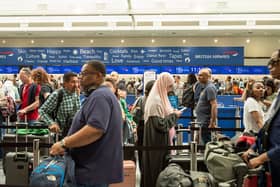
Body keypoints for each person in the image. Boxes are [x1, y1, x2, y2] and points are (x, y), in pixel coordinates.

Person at [50, 61, 123, 187]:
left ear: (99, 76)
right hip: (92, 170)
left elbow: (95, 129)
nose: (80, 78)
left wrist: (64, 143)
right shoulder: (101, 95)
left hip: (91, 171)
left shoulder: (100, 96)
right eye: (80, 74)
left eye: (85, 74)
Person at [242, 49, 280, 187]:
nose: (269, 66)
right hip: (272, 163)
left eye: (274, 62)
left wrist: (260, 159)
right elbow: (266, 127)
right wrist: (254, 147)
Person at [142, 72, 182, 187]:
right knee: (156, 169)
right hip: (157, 143)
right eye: (169, 86)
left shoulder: (158, 98)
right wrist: (175, 115)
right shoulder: (156, 101)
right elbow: (161, 125)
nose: (170, 89)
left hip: (158, 142)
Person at [39, 72, 80, 138]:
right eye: (73, 82)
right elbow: (42, 111)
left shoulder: (76, 93)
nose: (76, 85)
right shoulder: (57, 94)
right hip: (61, 135)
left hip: (74, 133)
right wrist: (52, 123)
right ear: (65, 83)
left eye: (77, 82)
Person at [195, 68, 217, 144]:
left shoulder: (210, 88)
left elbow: (214, 105)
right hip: (202, 121)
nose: (198, 77)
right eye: (198, 75)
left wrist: (212, 122)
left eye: (201, 75)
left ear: (207, 76)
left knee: (207, 142)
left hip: (206, 121)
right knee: (204, 140)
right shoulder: (205, 87)